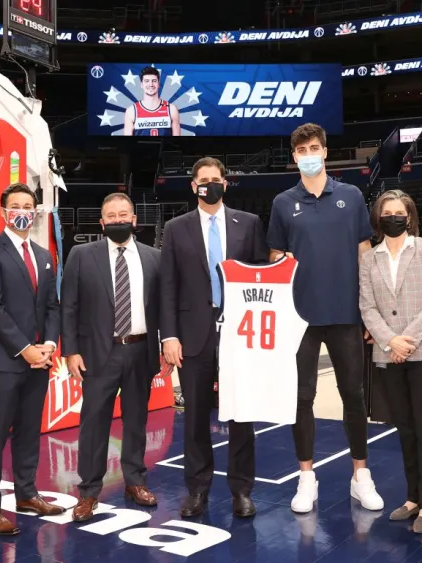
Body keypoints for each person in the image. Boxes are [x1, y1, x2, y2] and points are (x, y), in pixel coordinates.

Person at [267, 122, 383, 514]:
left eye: (315, 147)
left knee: (354, 396)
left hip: (346, 314)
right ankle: (306, 479)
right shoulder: (283, 202)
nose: (309, 154)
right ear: (294, 156)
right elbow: (274, 260)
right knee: (302, 399)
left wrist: (370, 310)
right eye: (302, 150)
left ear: (326, 151)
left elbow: (364, 253)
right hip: (300, 318)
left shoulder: (350, 196)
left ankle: (361, 476)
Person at [160, 156, 269, 518]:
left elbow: (259, 279)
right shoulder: (175, 228)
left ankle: (242, 490)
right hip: (193, 334)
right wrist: (170, 335)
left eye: (216, 178)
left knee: (241, 415)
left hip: (239, 332)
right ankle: (197, 490)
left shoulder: (249, 223)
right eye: (203, 179)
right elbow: (169, 287)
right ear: (193, 186)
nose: (210, 184)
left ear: (225, 182)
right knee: (194, 418)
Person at [62, 193, 162, 522]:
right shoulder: (81, 254)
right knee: (94, 424)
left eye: (124, 214)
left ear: (134, 219)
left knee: (136, 422)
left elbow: (162, 307)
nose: (118, 219)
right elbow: (70, 306)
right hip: (97, 353)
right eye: (111, 215)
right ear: (101, 222)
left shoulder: (153, 257)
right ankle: (89, 491)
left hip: (140, 349)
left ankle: (135, 481)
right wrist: (71, 350)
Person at [0, 183, 65, 535]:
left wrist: (51, 344)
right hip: (5, 360)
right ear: (3, 211)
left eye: (29, 205)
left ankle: (27, 494)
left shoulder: (44, 254)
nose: (22, 210)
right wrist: (25, 348)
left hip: (40, 360)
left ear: (36, 210)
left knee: (29, 431)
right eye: (16, 205)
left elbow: (52, 307)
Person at [359, 190, 422, 533]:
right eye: (387, 212)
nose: (393, 217)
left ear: (409, 217)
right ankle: (412, 497)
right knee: (406, 429)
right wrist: (389, 340)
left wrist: (405, 341)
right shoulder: (370, 258)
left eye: (399, 212)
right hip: (387, 353)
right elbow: (367, 306)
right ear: (378, 219)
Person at [123, 66, 181, 137]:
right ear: (141, 84)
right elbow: (128, 143)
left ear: (159, 84)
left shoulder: (171, 109)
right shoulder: (131, 111)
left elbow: (177, 142)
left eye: (154, 81)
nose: (151, 84)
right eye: (147, 81)